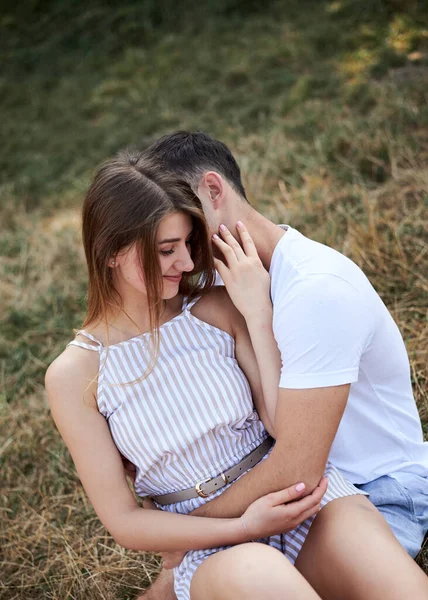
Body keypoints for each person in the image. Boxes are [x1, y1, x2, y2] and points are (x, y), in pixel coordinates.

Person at [45, 151, 379, 600]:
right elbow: (124, 521)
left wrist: (257, 310)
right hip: (207, 548)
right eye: (166, 250)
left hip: (298, 498)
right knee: (259, 574)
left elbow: (284, 425)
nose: (185, 263)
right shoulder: (75, 374)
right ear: (111, 252)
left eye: (186, 244)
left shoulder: (214, 308)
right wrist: (241, 526)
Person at [136, 131, 428, 600]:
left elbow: (297, 467)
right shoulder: (216, 280)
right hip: (295, 497)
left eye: (185, 222)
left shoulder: (315, 290)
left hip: (376, 490)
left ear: (214, 190)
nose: (179, 252)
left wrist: (186, 530)